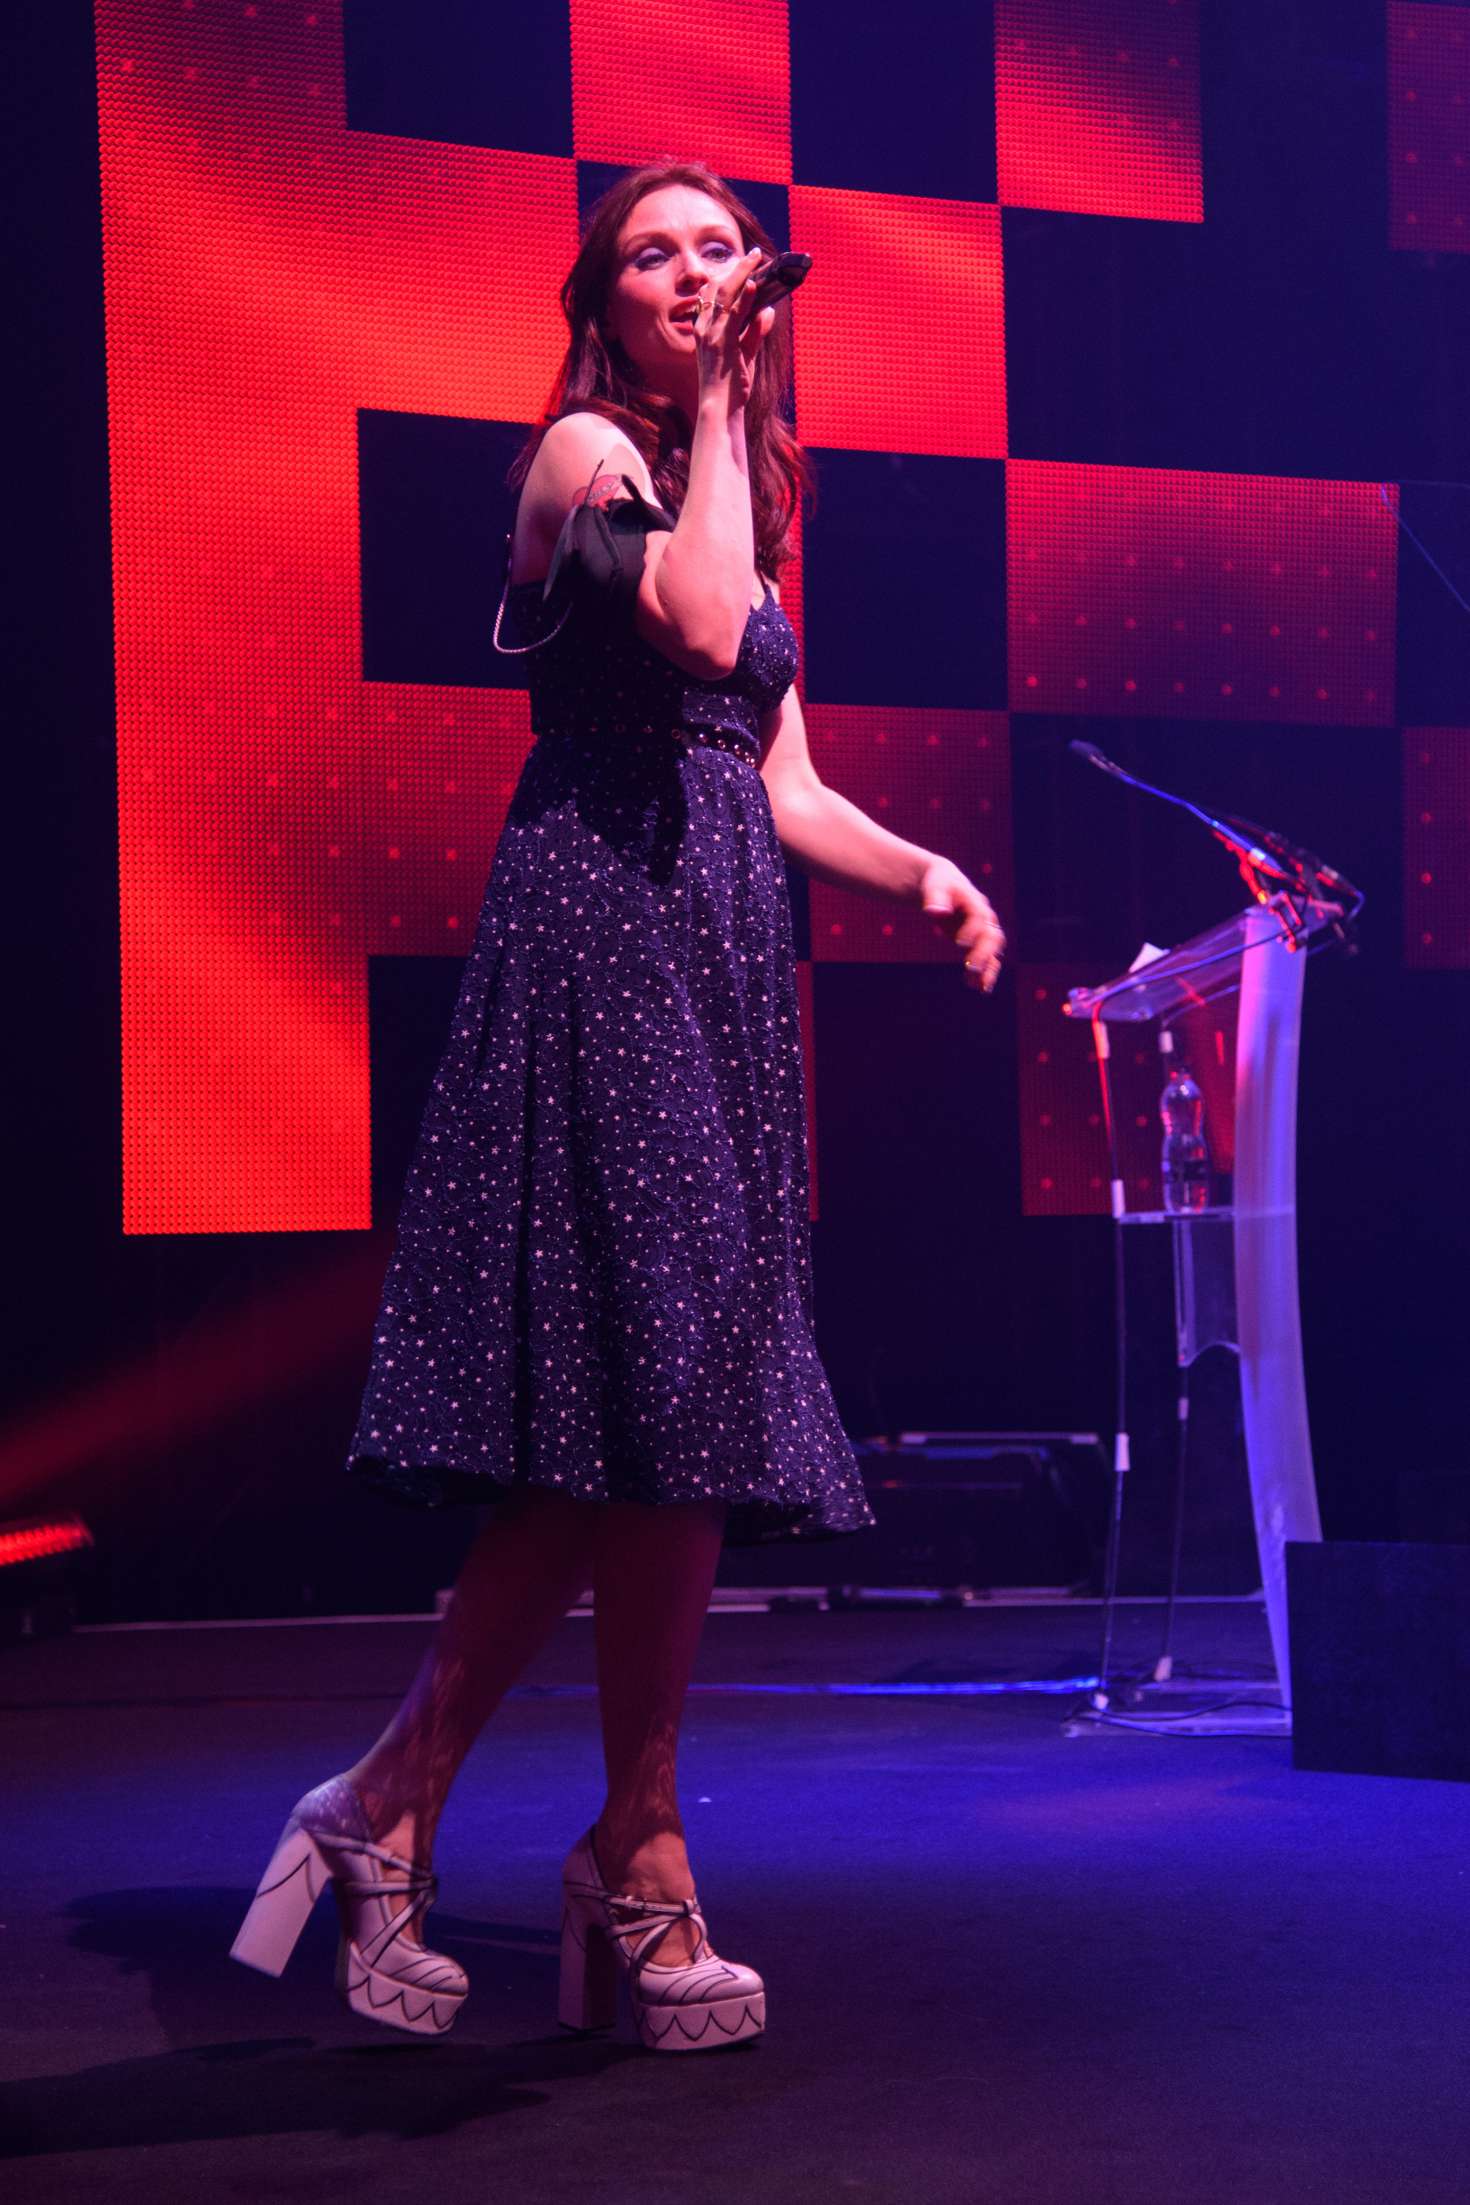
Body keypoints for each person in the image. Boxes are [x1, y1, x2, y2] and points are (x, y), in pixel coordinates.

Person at [230, 161, 1005, 2055]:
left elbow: (777, 775)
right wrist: (724, 408)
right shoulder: (587, 455)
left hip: (718, 959)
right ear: (603, 300)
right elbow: (689, 631)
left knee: (688, 1416)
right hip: (601, 936)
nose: (690, 272)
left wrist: (919, 870)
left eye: (717, 248)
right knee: (616, 1411)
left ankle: (585, 1838)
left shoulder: (743, 492)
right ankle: (452, 1813)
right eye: (652, 252)